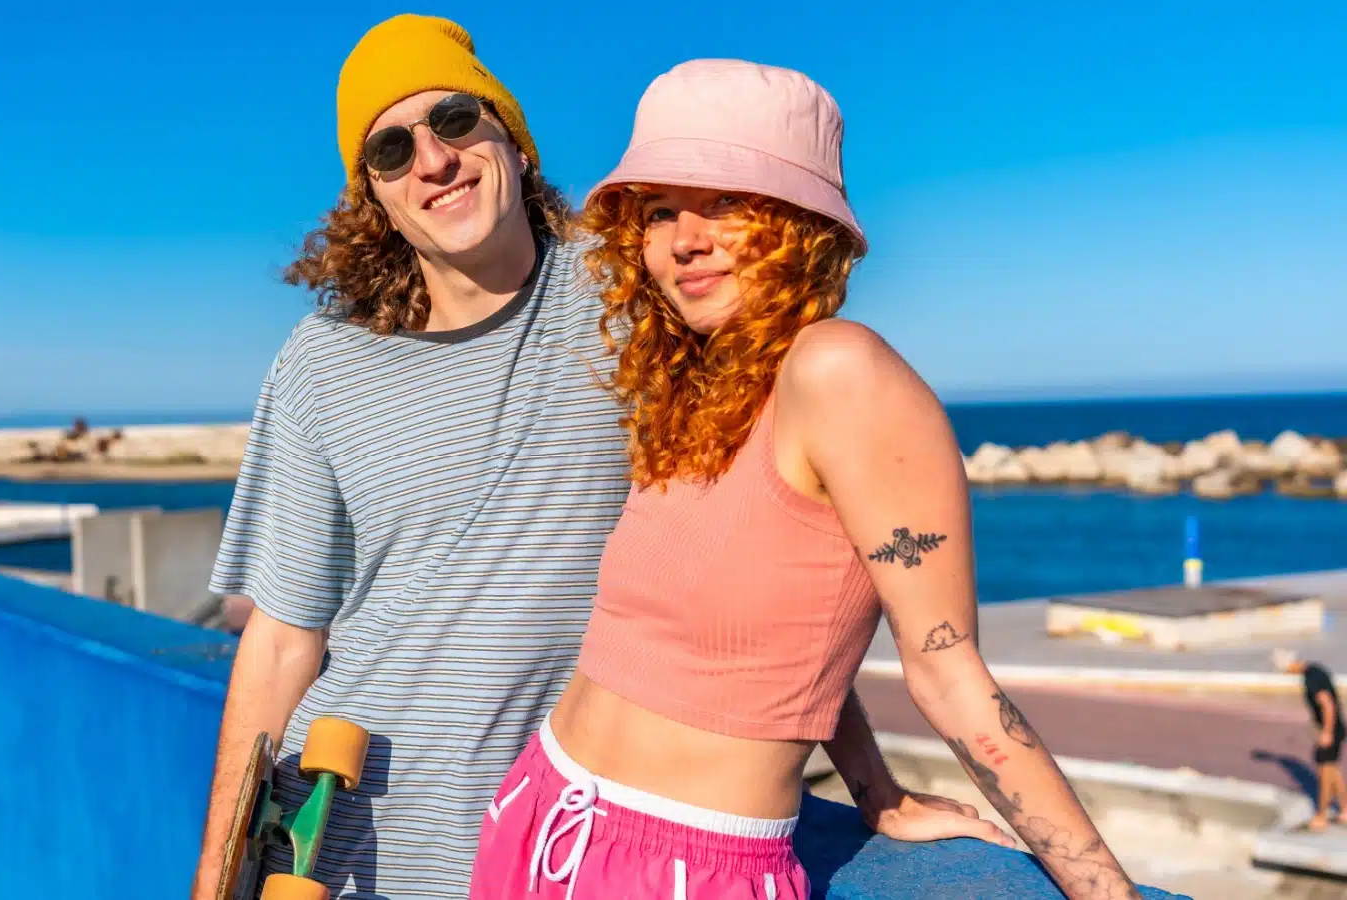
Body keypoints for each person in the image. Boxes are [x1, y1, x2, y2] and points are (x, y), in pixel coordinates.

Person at [191, 17, 1004, 899]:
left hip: (559, 851)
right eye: (391, 150)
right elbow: (281, 639)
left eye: (456, 121)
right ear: (374, 198)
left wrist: (874, 787)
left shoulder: (638, 302)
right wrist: (217, 879)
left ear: (515, 142)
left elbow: (769, 555)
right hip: (336, 853)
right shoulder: (322, 362)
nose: (434, 160)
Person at [469, 59, 1141, 900]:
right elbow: (790, 641)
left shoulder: (841, 371)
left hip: (687, 867)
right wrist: (875, 791)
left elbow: (950, 674)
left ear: (799, 224)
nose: (684, 239)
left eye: (725, 201)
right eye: (661, 210)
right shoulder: (696, 390)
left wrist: (1107, 892)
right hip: (538, 811)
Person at [1273, 649, 1346, 830]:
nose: (1286, 674)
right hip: (1335, 728)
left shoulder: (1311, 679)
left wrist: (1327, 732)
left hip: (1330, 731)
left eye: (1284, 670)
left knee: (1325, 774)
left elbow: (1328, 704)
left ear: (1290, 666)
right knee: (1332, 771)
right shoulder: (1316, 670)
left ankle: (1321, 816)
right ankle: (1345, 810)